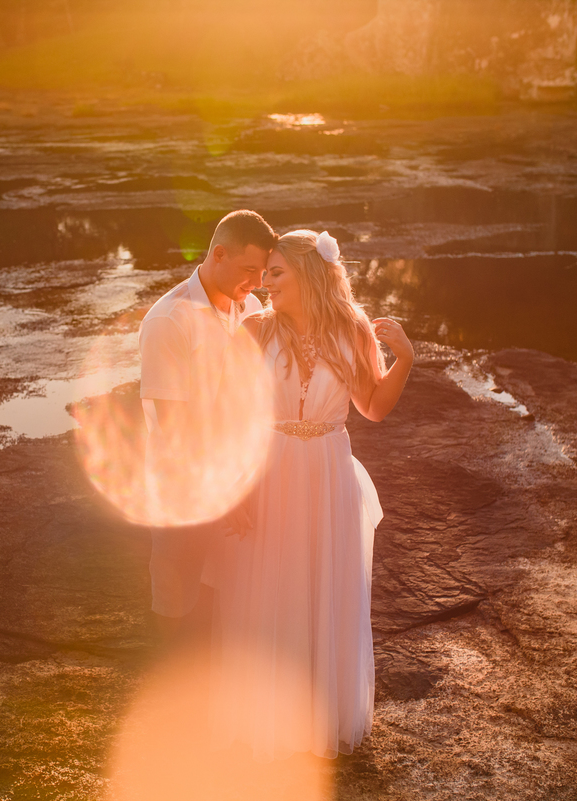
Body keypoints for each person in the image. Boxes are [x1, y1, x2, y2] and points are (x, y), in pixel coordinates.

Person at [209, 229, 414, 761]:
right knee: (269, 591)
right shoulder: (253, 330)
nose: (265, 282)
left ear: (310, 275)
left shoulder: (353, 329)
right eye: (265, 273)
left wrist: (404, 362)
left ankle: (320, 716)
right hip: (269, 472)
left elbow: (372, 406)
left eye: (276, 272)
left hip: (328, 473)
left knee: (324, 589)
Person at [138, 209, 278, 641]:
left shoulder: (250, 306)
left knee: (229, 600)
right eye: (249, 270)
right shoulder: (169, 320)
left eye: (264, 272)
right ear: (218, 254)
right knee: (179, 601)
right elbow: (178, 429)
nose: (258, 283)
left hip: (239, 476)